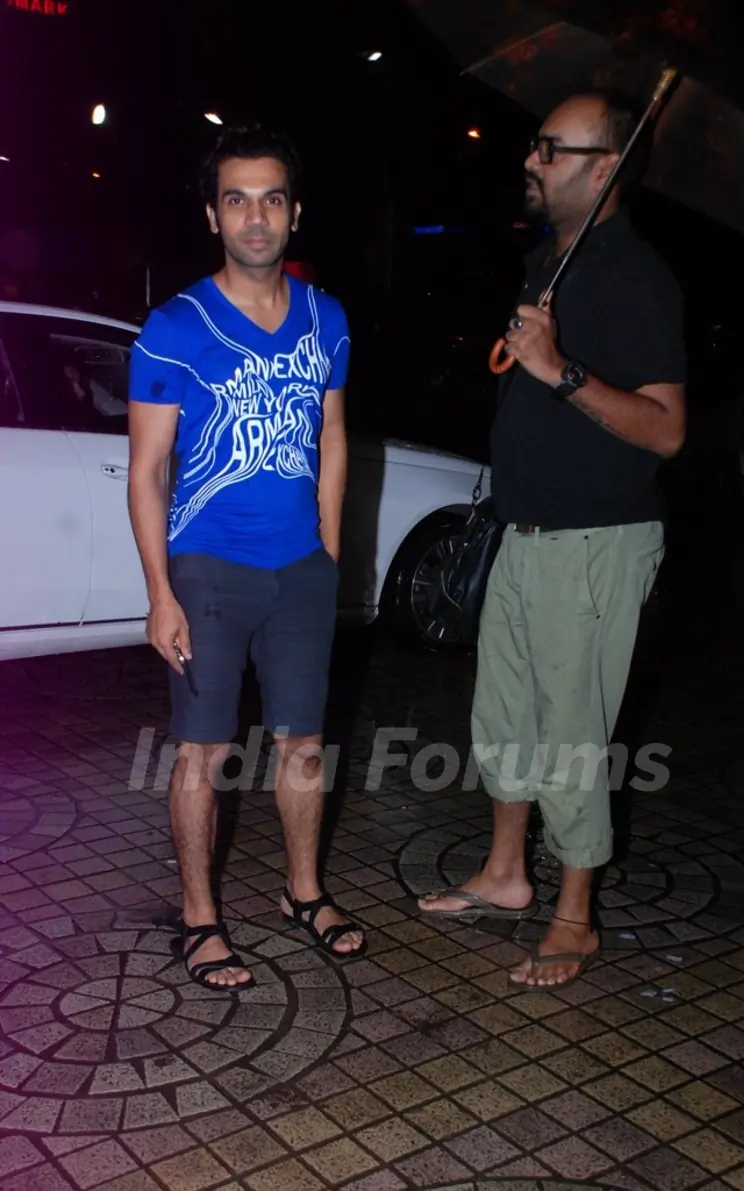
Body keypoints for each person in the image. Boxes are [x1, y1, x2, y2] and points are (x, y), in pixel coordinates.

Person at [419, 92, 686, 990]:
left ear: (605, 166)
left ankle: (575, 917)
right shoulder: (550, 260)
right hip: (526, 533)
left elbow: (666, 430)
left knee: (573, 734)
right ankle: (505, 872)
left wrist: (559, 370)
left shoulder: (635, 276)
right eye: (534, 145)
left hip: (595, 542)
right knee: (504, 719)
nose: (530, 160)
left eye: (550, 148)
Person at [127, 124, 365, 992]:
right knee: (202, 752)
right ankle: (199, 918)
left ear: (294, 213)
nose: (255, 217)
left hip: (300, 569)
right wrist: (160, 591)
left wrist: (330, 551)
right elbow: (149, 469)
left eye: (271, 198)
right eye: (237, 199)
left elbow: (333, 439)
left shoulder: (327, 317)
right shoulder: (174, 327)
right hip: (209, 570)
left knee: (305, 744)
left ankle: (305, 894)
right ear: (212, 215)